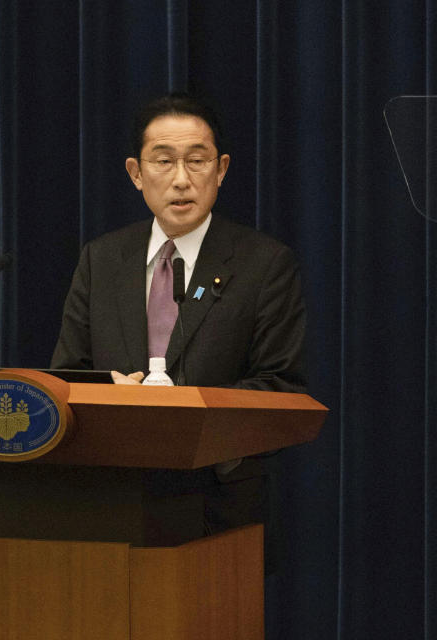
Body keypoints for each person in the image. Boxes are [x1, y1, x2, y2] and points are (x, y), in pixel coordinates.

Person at [51, 93, 306, 569]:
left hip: (218, 503)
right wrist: (113, 394)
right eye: (164, 161)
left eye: (197, 160)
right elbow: (68, 376)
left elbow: (280, 386)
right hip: (111, 495)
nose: (182, 180)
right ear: (135, 173)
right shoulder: (102, 260)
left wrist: (186, 412)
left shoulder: (264, 264)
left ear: (222, 168)